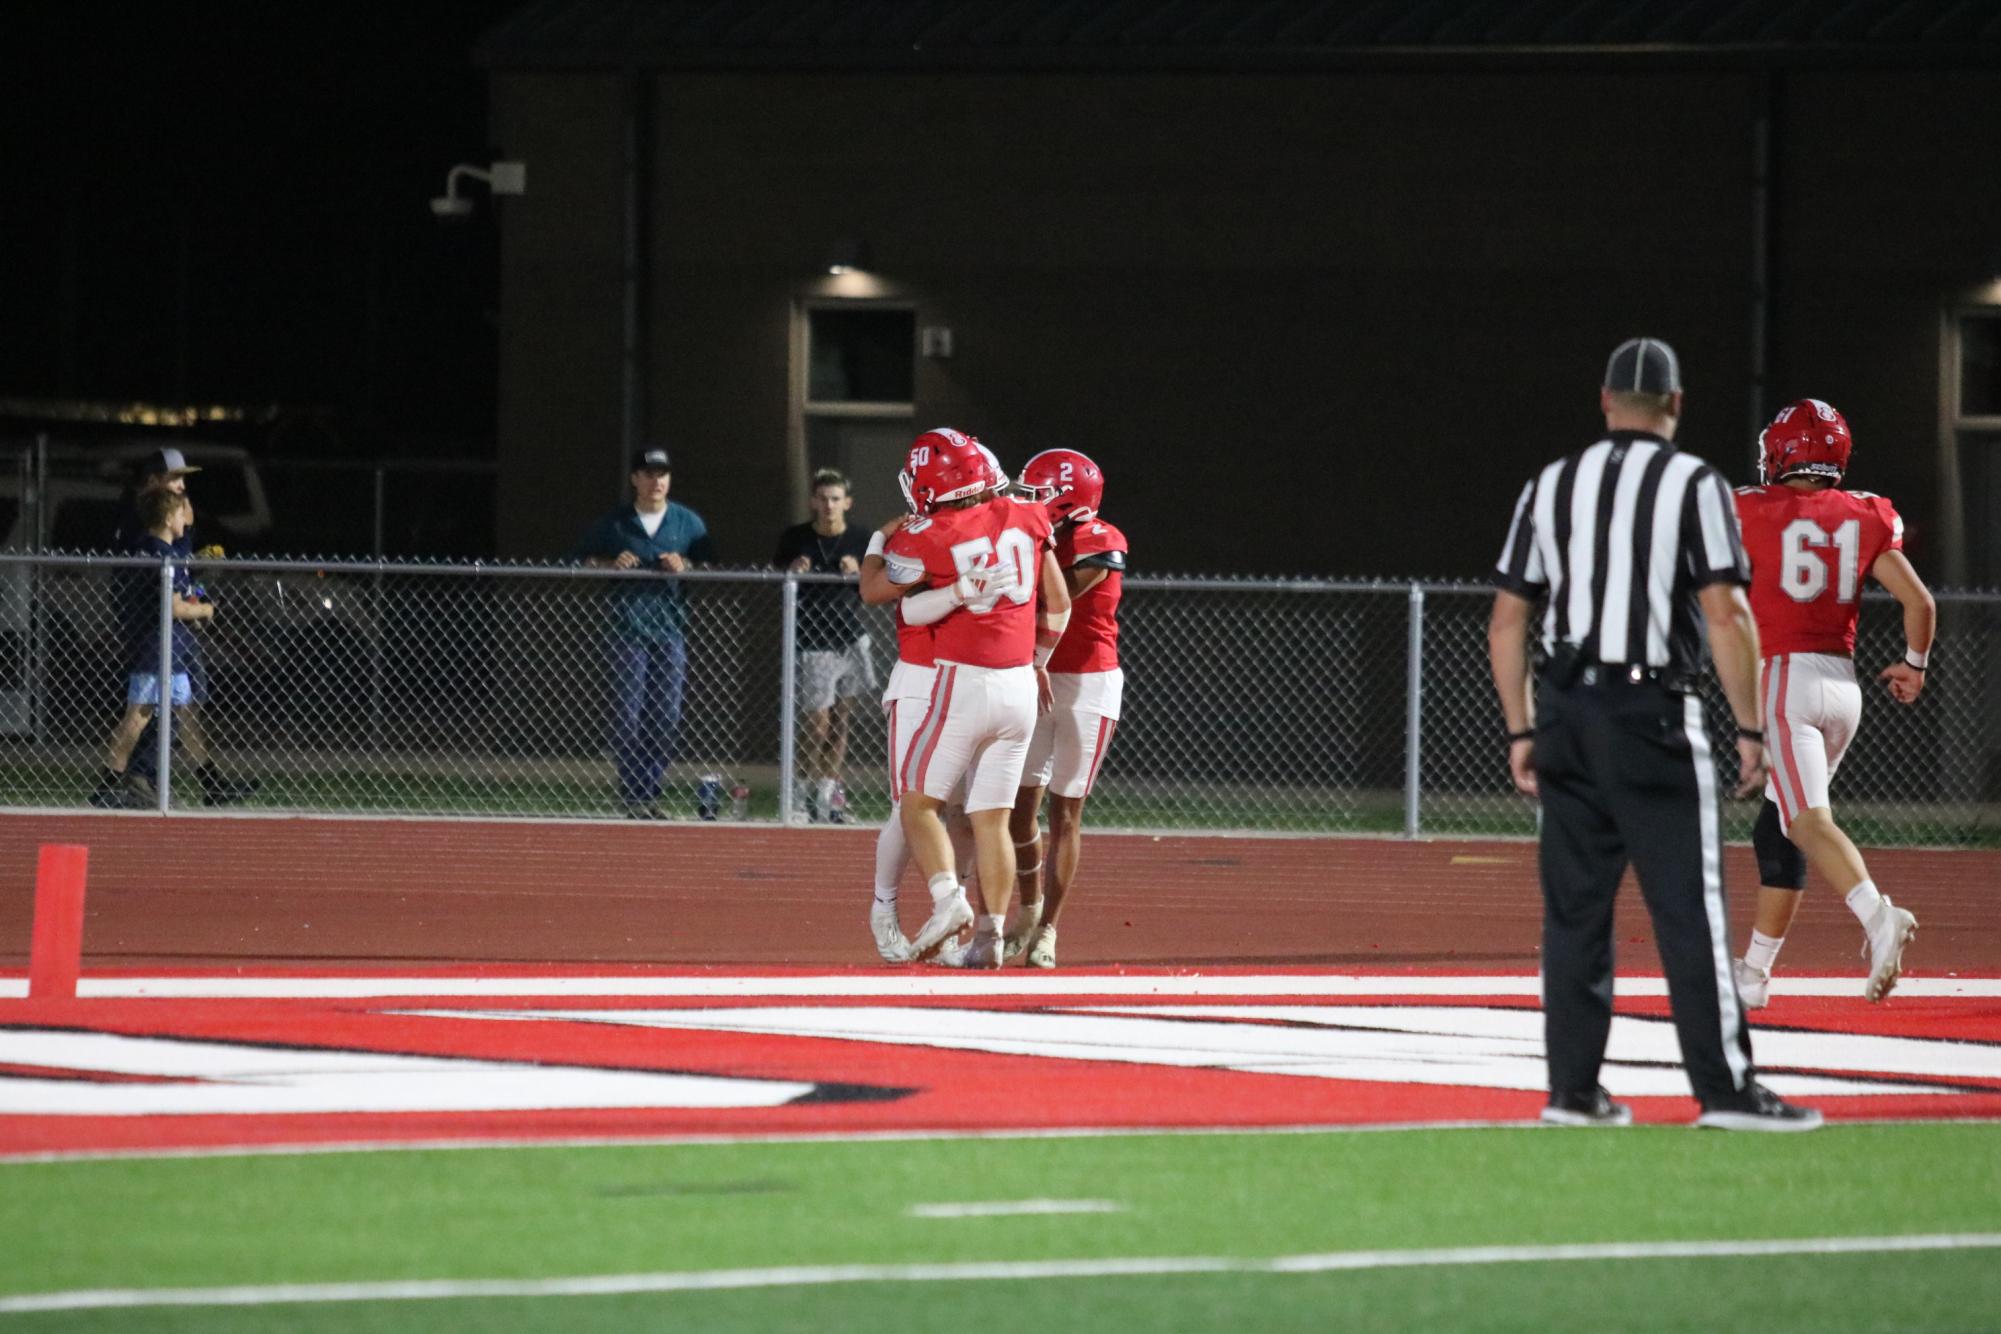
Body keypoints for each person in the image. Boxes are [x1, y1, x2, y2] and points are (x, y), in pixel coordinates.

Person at [1489, 336, 1819, 1131]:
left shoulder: (1551, 483)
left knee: (1573, 913)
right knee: (1689, 909)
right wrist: (1748, 726)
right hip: (1650, 714)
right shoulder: (1693, 482)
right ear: (1674, 405)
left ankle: (1572, 1090)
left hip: (1564, 710)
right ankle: (1725, 1089)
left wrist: (1520, 729)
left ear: (1604, 401)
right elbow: (1725, 612)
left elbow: (1506, 620)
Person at [1730, 400, 1934, 1008]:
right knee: (1780, 831)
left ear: (1784, 451)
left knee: (1805, 823)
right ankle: (1754, 973)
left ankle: (1878, 917)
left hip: (1785, 678)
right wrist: (1914, 666)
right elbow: (1920, 604)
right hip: (1844, 687)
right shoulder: (1867, 514)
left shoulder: (1748, 508)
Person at [861, 428, 1070, 968]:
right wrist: (1038, 659)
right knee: (992, 819)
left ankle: (948, 901)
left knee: (916, 804)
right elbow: (1060, 604)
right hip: (1019, 683)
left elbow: (875, 589)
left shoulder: (928, 534)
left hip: (961, 679)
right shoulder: (1028, 516)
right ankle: (991, 936)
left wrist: (879, 540)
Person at [1004, 448, 1127, 969]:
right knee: (1016, 811)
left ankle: (1049, 929)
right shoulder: (1038, 538)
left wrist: (1037, 543)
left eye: (1038, 492)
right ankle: (1029, 908)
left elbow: (1056, 601)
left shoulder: (1102, 539)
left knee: (1066, 813)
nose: (1027, 500)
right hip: (1034, 677)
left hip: (1087, 684)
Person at [92, 447, 255, 808]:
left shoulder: (171, 536)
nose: (183, 486)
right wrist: (199, 606)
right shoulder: (144, 526)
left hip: (173, 628)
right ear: (153, 482)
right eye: (175, 479)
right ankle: (126, 782)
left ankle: (209, 781)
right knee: (144, 710)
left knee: (185, 705)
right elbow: (163, 587)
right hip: (154, 632)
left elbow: (181, 575)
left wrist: (197, 587)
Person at [569, 446, 717, 818]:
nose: (657, 481)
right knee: (628, 715)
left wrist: (685, 565)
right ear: (635, 479)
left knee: (664, 714)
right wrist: (608, 563)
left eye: (662, 474)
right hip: (627, 629)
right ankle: (634, 794)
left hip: (670, 630)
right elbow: (578, 559)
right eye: (649, 474)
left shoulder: (687, 522)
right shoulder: (616, 523)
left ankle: (650, 790)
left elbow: (710, 563)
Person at [860, 509, 980, 964]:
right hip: (921, 679)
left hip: (973, 679)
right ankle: (883, 907)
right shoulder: (918, 534)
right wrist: (878, 536)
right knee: (908, 806)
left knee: (965, 811)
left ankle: (950, 918)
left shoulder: (998, 527)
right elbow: (872, 590)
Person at [96, 490, 217, 801]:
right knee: (137, 716)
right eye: (179, 515)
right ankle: (106, 787)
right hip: (156, 651)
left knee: (178, 716)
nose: (184, 521)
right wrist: (204, 610)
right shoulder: (159, 552)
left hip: (172, 650)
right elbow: (174, 607)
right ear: (167, 518)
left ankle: (196, 784)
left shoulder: (161, 550)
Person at [773, 469, 876, 823]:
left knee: (840, 721)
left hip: (850, 637)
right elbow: (775, 579)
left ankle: (827, 798)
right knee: (816, 723)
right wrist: (793, 571)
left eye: (836, 499)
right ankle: (799, 796)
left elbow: (880, 583)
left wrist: (860, 570)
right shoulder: (796, 538)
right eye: (823, 498)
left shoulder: (862, 538)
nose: (829, 505)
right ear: (813, 502)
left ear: (847, 502)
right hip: (813, 640)